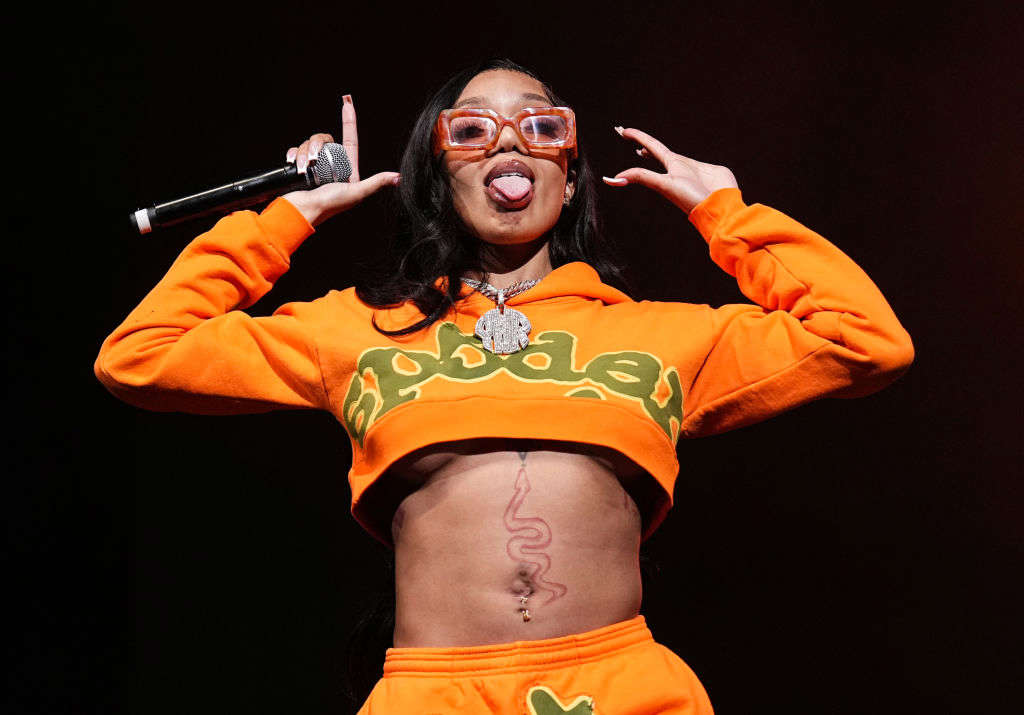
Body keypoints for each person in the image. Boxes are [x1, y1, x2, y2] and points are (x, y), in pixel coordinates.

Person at [95, 58, 914, 714]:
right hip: (431, 695)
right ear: (437, 174)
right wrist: (291, 216)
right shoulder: (360, 330)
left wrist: (727, 214)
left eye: (542, 126)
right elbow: (139, 355)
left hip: (622, 690)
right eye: (472, 130)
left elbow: (866, 339)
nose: (509, 143)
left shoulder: (663, 335)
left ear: (571, 173)